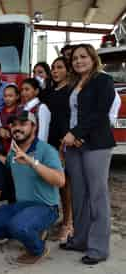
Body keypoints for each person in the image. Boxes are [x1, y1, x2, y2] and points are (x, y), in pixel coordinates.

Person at [0, 111, 65, 264]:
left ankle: (38, 249)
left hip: (46, 207)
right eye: (14, 125)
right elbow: (7, 162)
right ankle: (32, 230)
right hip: (21, 206)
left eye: (23, 124)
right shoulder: (13, 152)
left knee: (18, 227)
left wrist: (32, 162)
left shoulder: (46, 150)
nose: (17, 128)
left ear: (34, 127)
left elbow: (60, 181)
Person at [60, 44, 116, 265]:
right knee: (79, 194)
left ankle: (99, 248)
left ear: (93, 59)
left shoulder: (103, 80)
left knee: (97, 196)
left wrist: (77, 133)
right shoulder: (73, 83)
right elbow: (71, 113)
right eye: (74, 58)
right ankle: (80, 239)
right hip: (74, 145)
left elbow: (100, 113)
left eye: (83, 57)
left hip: (97, 145)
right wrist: (72, 135)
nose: (78, 61)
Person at [42, 57, 73, 242]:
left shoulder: (72, 91)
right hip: (50, 142)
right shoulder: (49, 92)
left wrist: (63, 144)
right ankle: (56, 220)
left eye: (59, 67)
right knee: (52, 184)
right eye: (53, 67)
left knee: (66, 185)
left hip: (65, 142)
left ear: (68, 70)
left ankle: (68, 223)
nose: (54, 71)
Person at [0, 84, 19, 154]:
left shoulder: (21, 111)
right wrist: (0, 131)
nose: (7, 99)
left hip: (18, 149)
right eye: (5, 96)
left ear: (17, 96)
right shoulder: (0, 113)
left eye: (10, 96)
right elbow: (0, 128)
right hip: (4, 149)